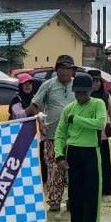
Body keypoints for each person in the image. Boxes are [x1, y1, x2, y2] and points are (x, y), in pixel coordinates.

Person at [55, 72, 107, 222]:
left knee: (90, 196)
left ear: (90, 90)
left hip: (91, 151)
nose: (81, 96)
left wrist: (76, 120)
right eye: (78, 93)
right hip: (73, 152)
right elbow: (60, 134)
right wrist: (59, 156)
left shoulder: (98, 104)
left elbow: (99, 124)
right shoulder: (69, 109)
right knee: (75, 197)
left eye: (84, 93)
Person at [28, 55, 76, 212]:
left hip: (75, 136)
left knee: (73, 168)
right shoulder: (48, 85)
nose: (65, 72)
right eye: (62, 68)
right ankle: (54, 200)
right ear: (57, 69)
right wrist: (40, 123)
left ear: (72, 70)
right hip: (52, 134)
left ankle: (73, 200)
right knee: (54, 168)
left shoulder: (77, 86)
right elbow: (34, 105)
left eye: (68, 69)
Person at [88, 69, 111, 196]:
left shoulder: (106, 96)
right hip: (87, 136)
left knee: (105, 163)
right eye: (93, 81)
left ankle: (108, 188)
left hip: (102, 136)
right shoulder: (83, 96)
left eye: (97, 81)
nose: (95, 84)